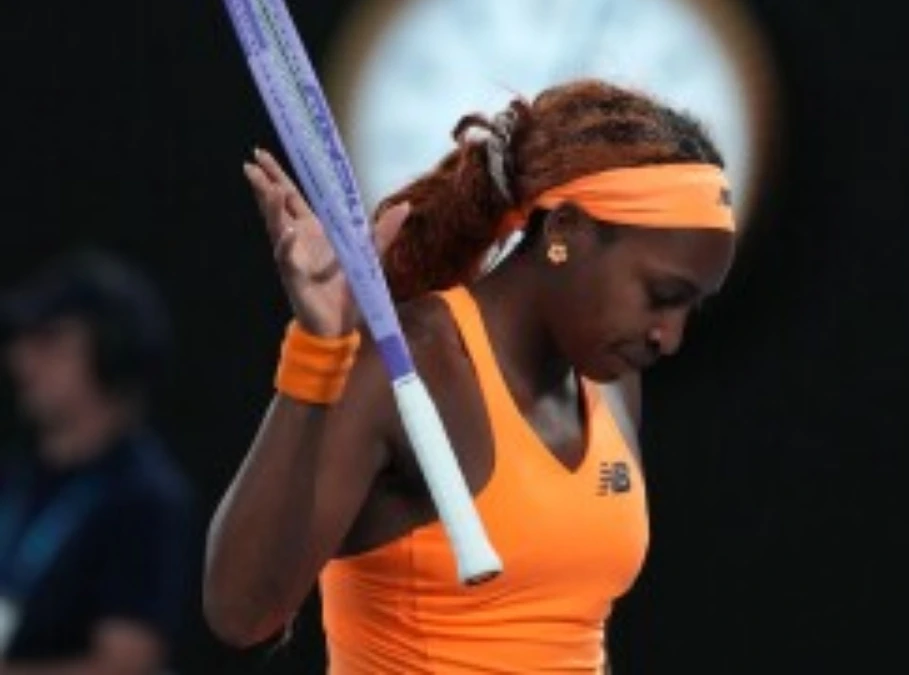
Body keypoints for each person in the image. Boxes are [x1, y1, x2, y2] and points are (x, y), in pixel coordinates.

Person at [204, 78, 738, 673]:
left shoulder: (611, 382)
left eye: (691, 308)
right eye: (661, 295)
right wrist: (318, 349)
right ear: (565, 232)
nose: (670, 336)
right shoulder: (407, 364)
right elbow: (241, 612)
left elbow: (570, 631)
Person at [0, 249, 195, 673]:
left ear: (111, 353)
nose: (22, 360)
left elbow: (126, 663)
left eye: (50, 343)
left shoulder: (144, 498)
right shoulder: (15, 473)